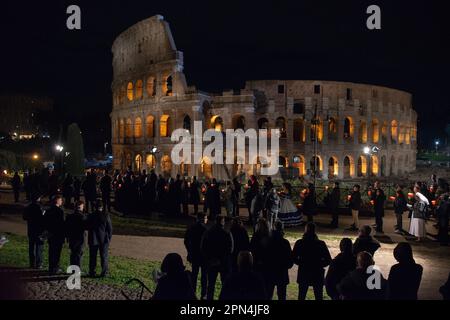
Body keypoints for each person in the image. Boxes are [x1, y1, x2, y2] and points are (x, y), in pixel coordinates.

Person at [292, 222, 331, 300]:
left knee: (301, 295)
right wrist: (319, 264)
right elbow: (328, 260)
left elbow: (293, 258)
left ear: (305, 230)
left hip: (304, 272)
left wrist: (302, 263)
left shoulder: (300, 243)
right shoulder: (321, 244)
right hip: (317, 273)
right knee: (318, 295)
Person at [200, 215, 233, 300]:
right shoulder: (226, 232)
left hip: (212, 262)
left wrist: (210, 259)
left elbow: (203, 247)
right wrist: (223, 259)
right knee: (224, 284)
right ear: (222, 222)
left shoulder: (209, 232)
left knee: (211, 284)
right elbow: (230, 248)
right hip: (223, 262)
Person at [266, 221, 293, 300]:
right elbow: (290, 257)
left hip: (270, 270)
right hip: (282, 271)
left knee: (268, 293)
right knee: (282, 295)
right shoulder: (285, 242)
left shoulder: (269, 241)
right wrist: (288, 265)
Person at [184, 213, 208, 299]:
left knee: (194, 274)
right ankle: (204, 294)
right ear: (203, 219)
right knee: (204, 276)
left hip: (194, 255)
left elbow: (186, 241)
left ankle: (193, 293)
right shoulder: (206, 229)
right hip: (204, 256)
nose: (206, 219)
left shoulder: (191, 228)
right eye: (205, 218)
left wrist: (189, 251)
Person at [87, 200, 112, 277]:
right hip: (103, 239)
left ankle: (92, 272)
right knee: (104, 256)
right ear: (102, 207)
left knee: (92, 256)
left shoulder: (91, 216)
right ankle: (104, 272)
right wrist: (108, 238)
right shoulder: (106, 215)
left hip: (93, 239)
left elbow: (87, 226)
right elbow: (110, 228)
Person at [44, 195, 65, 274]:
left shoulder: (49, 211)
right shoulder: (60, 211)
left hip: (51, 234)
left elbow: (45, 222)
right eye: (60, 200)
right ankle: (55, 268)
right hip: (58, 234)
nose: (61, 202)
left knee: (51, 251)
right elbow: (62, 224)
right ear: (57, 201)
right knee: (57, 253)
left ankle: (51, 267)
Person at [23, 194, 45, 269]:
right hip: (38, 230)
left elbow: (24, 217)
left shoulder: (28, 207)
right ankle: (38, 263)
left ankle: (31, 263)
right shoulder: (39, 207)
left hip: (31, 229)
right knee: (39, 247)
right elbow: (42, 219)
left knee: (31, 247)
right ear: (38, 199)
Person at [250, 219, 271, 290]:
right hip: (264, 262)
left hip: (260, 262)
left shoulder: (257, 235)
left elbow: (252, 248)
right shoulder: (269, 236)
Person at [65, 201, 86, 268]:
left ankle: (72, 269)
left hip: (72, 238)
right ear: (81, 207)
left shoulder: (70, 217)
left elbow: (66, 227)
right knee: (79, 255)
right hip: (80, 239)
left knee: (73, 254)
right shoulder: (82, 217)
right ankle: (77, 270)